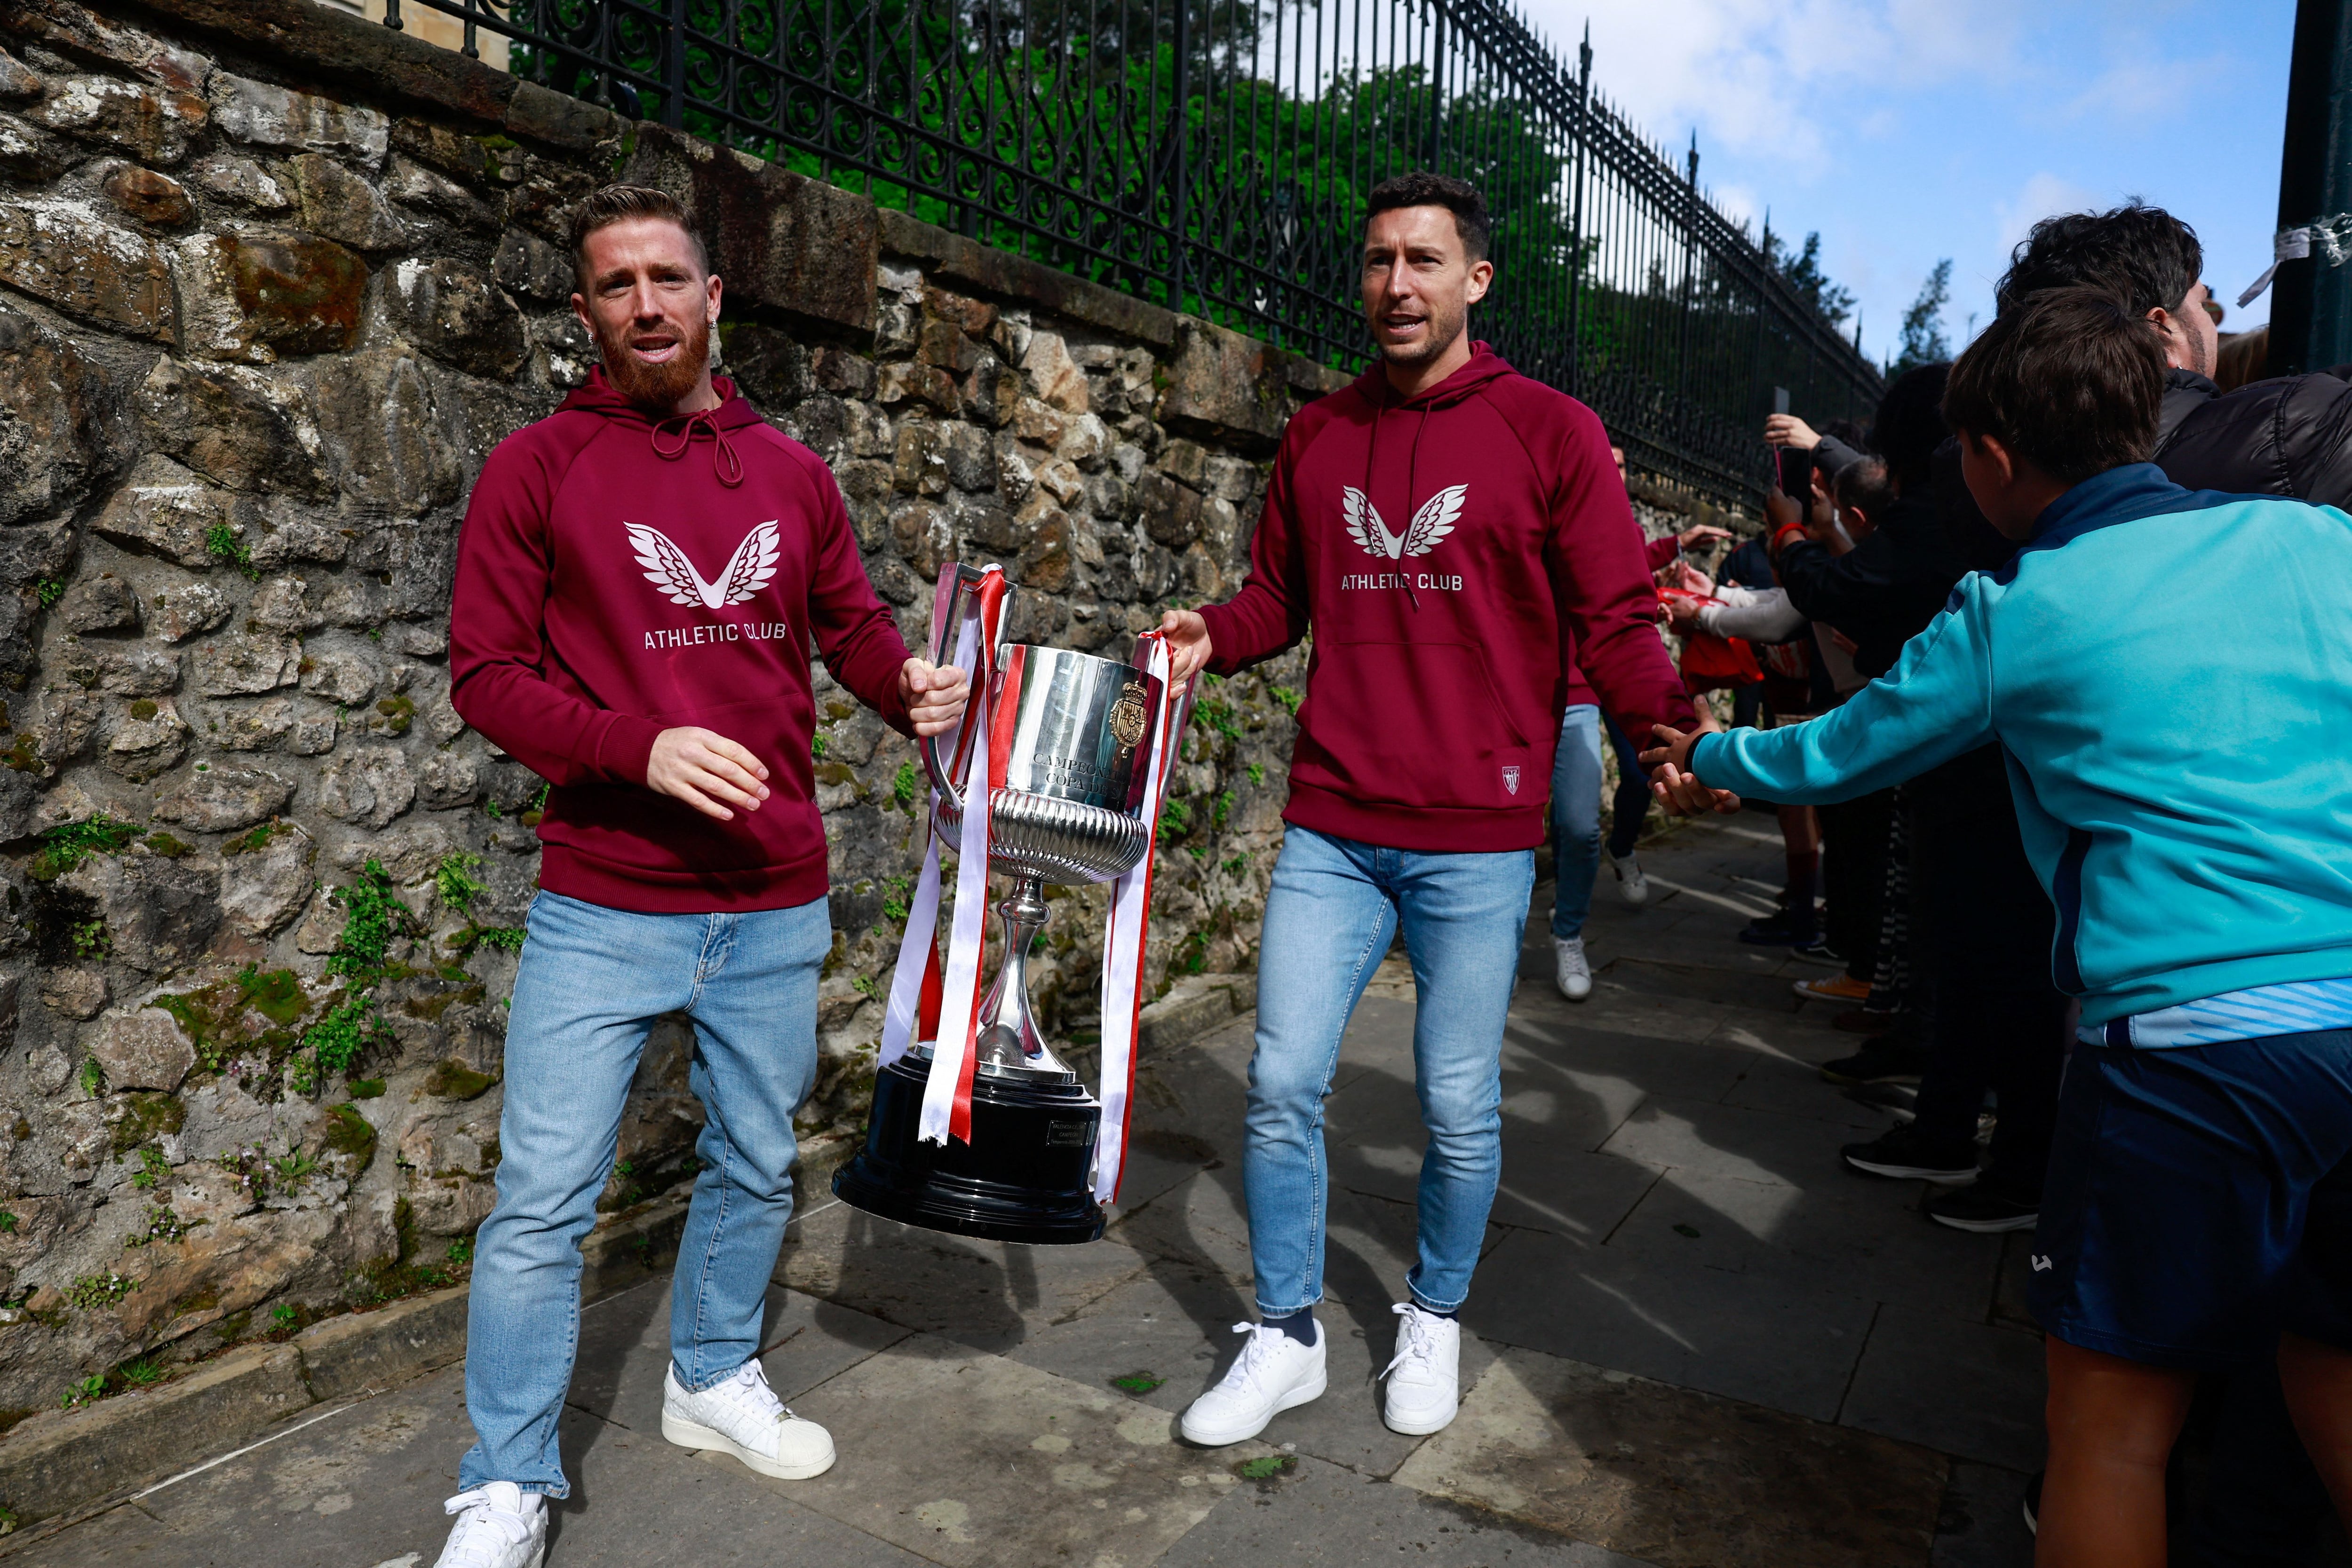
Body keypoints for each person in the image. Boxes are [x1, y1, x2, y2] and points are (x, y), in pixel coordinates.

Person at [1644, 285, 2352, 1567]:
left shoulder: (2020, 609)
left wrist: (1718, 758)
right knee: (2338, 1371)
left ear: (1993, 461)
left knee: (2112, 1430)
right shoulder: (2315, 543)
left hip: (2191, 1051)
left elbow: (1844, 750)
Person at [434, 185, 970, 1568]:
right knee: (542, 1205)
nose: (647, 306)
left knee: (751, 1156)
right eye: (616, 286)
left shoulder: (790, 474)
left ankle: (708, 1375)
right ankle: (505, 1481)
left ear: (714, 296)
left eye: (668, 279)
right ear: (585, 311)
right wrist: (637, 744)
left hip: (771, 895)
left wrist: (903, 685)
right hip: (604, 898)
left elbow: (846, 626)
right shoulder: (538, 467)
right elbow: (486, 677)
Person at [1156, 171, 1692, 1445]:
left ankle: (1435, 1311)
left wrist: (1664, 728)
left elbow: (1617, 615)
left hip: (1479, 834)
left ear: (1476, 281)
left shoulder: (1551, 432)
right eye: (1379, 261)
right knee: (1282, 1078)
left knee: (1457, 1102)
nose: (1397, 284)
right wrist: (1205, 636)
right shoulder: (1319, 435)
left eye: (1425, 261)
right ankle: (1284, 1330)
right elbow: (1276, 599)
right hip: (1336, 824)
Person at [1548, 445, 1728, 1000]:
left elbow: (1629, 573)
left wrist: (1655, 603)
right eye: (1605, 462)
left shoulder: (1619, 524)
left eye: (1622, 466)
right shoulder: (1548, 510)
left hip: (1616, 674)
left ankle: (1618, 854)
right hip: (1565, 682)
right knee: (1569, 825)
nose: (1614, 472)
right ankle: (1556, 930)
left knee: (1635, 776)